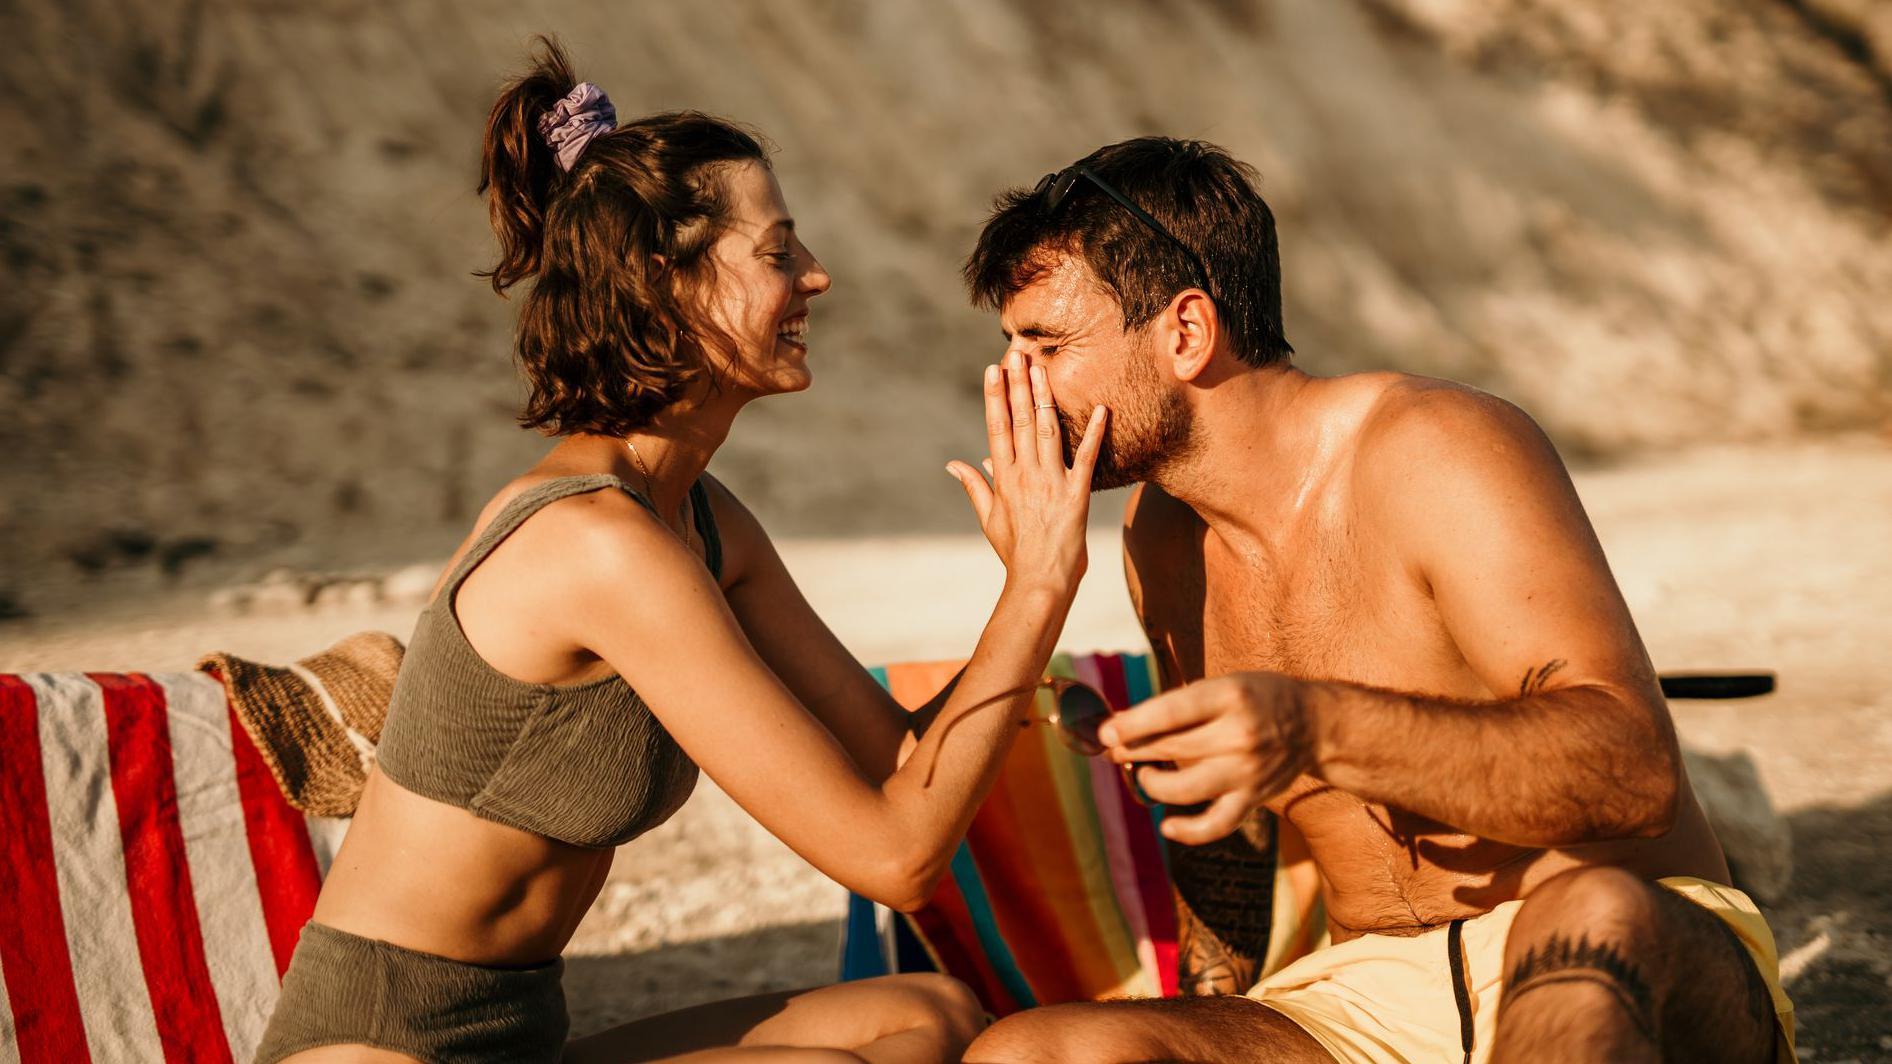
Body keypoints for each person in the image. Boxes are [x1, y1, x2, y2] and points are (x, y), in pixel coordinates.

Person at [255, 39, 1109, 1064]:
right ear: (667, 280)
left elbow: (891, 755)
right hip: (376, 1046)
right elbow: (893, 854)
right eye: (777, 251)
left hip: (521, 1035)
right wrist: (1040, 580)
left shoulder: (697, 519)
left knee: (925, 1015)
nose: (816, 275)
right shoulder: (595, 543)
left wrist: (1048, 671)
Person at [957, 138, 1795, 1064]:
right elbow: (1229, 836)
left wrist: (1315, 725)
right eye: (1009, 347)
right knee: (1031, 1052)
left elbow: (1635, 774)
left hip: (1605, 946)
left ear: (1186, 332)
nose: (1012, 383)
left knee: (1586, 917)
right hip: (1366, 1002)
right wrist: (1205, 1007)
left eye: (1046, 345)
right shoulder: (1161, 537)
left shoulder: (1435, 447)